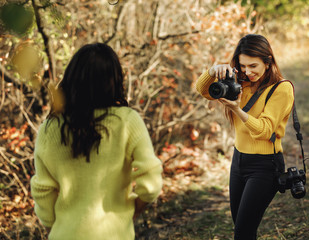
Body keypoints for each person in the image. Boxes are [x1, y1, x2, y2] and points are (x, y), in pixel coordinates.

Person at [30, 43, 163, 240]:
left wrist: (54, 227)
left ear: (71, 78)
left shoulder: (49, 127)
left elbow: (43, 190)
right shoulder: (126, 121)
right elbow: (151, 183)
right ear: (115, 80)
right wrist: (132, 210)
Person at [195, 34, 294, 239]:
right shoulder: (240, 83)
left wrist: (237, 109)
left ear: (268, 62)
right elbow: (202, 90)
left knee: (243, 231)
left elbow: (265, 130)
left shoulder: (281, 89)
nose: (247, 72)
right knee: (241, 227)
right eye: (243, 66)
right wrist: (214, 71)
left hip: (265, 166)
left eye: (253, 66)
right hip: (239, 161)